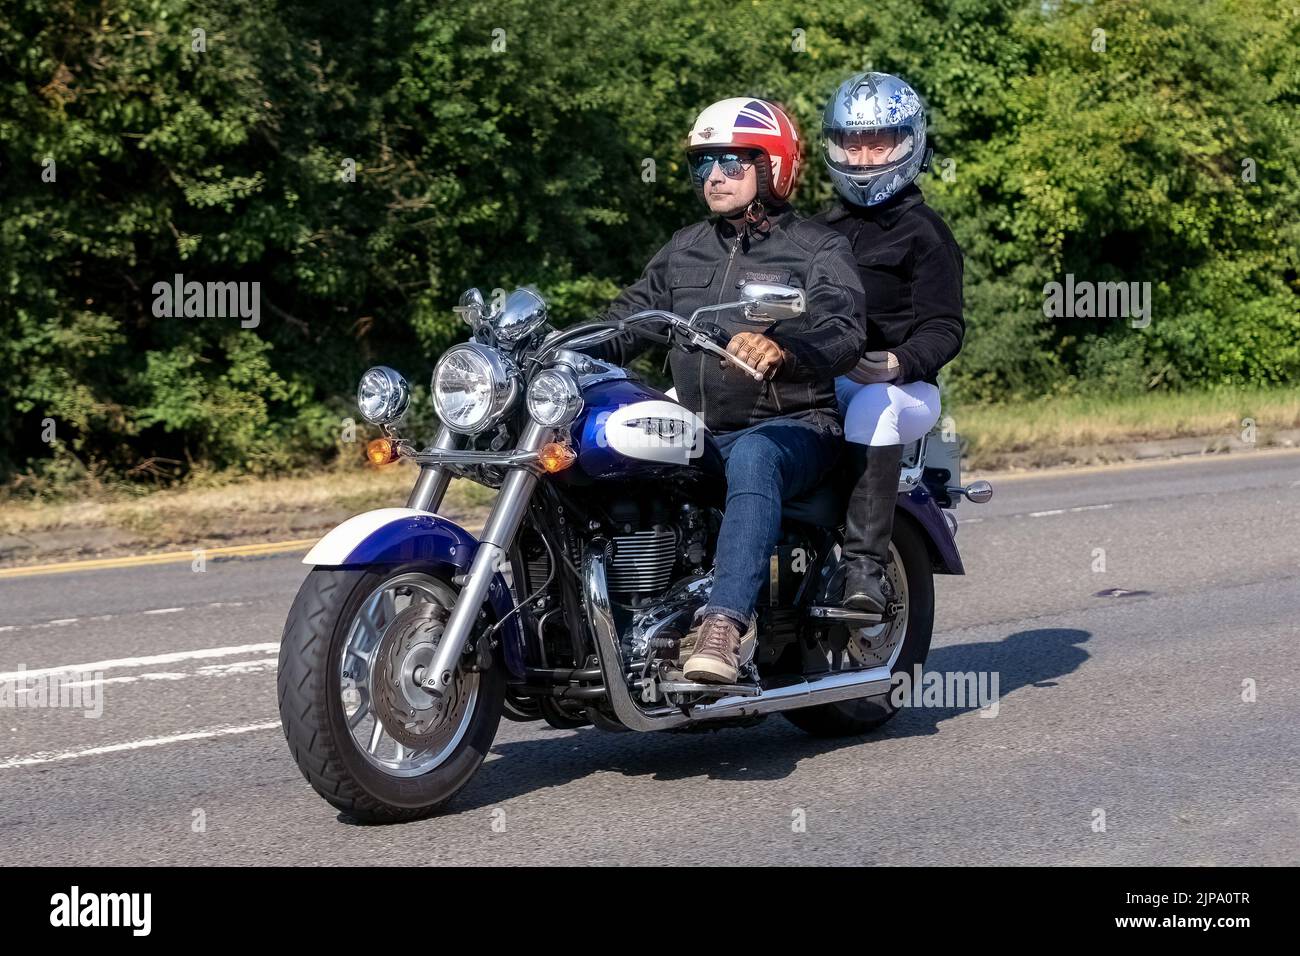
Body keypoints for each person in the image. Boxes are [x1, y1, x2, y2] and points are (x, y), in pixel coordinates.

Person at [588, 96, 867, 683]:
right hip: (699, 429)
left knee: (757, 455)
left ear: (771, 168)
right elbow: (629, 320)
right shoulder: (685, 246)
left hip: (795, 426)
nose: (713, 177)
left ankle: (724, 624)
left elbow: (844, 329)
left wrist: (786, 350)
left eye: (732, 164)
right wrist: (560, 349)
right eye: (702, 165)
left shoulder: (817, 247)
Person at [813, 72, 965, 613]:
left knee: (872, 407)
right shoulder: (813, 232)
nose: (862, 157)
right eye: (851, 143)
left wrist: (897, 362)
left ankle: (864, 569)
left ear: (909, 143)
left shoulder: (924, 232)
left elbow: (946, 327)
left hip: (902, 392)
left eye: (877, 141)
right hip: (819, 381)